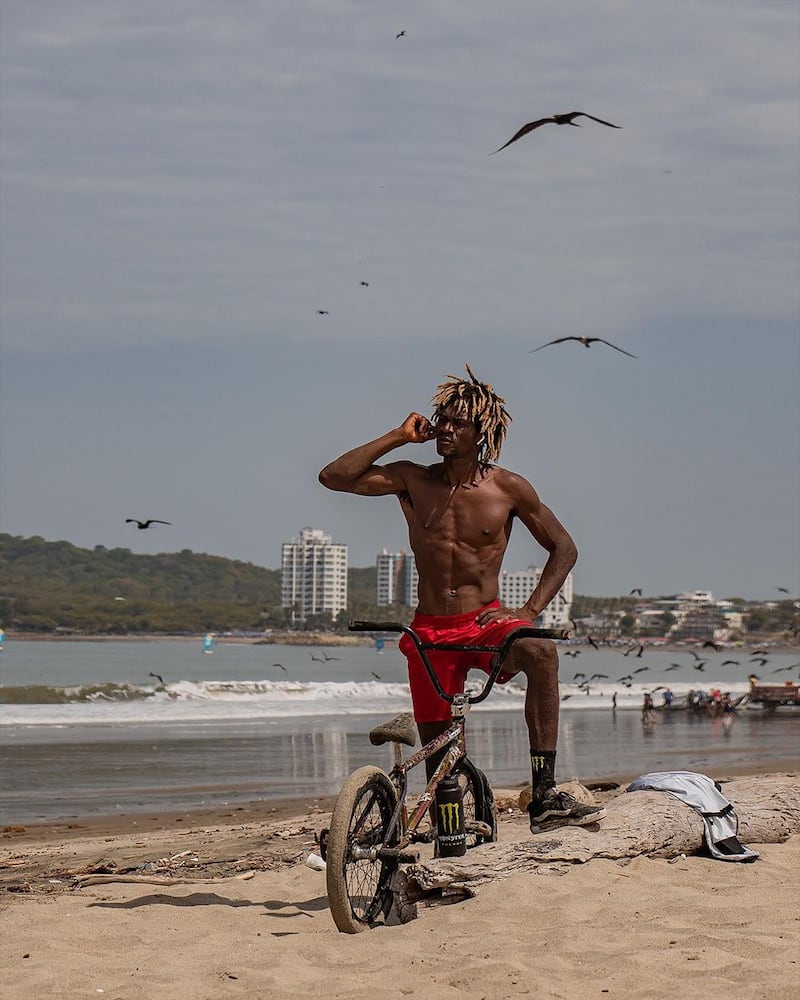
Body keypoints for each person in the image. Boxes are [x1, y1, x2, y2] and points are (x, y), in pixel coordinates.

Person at [319, 364, 606, 834]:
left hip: (485, 624)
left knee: (540, 651)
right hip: (429, 630)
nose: (446, 429)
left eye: (459, 423)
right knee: (442, 764)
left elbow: (564, 548)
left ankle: (545, 792)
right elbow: (334, 477)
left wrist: (529, 612)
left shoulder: (508, 488)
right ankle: (450, 845)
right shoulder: (412, 478)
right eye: (442, 419)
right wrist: (397, 435)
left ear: (482, 432)